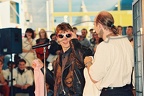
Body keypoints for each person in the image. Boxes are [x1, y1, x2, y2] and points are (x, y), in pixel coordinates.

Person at [84, 11, 134, 96]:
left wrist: (88, 62)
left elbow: (95, 77)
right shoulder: (125, 41)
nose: (95, 29)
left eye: (94, 25)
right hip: (127, 91)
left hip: (111, 92)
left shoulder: (104, 45)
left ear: (99, 25)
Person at [53, 22, 93, 96]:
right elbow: (55, 82)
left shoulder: (82, 51)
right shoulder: (57, 60)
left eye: (68, 35)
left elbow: (81, 60)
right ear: (57, 39)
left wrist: (74, 41)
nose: (65, 39)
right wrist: (41, 68)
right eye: (61, 36)